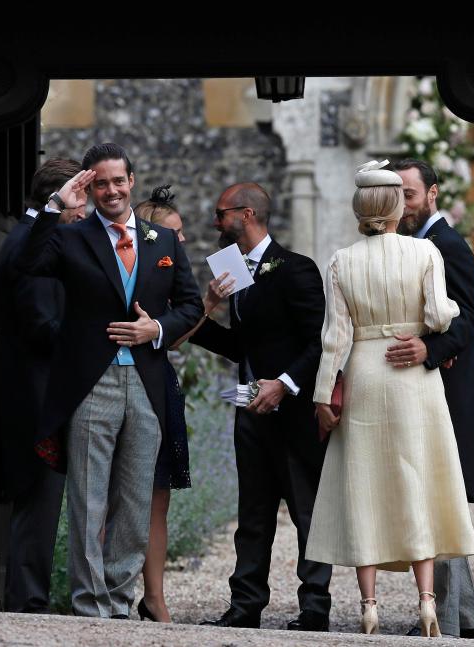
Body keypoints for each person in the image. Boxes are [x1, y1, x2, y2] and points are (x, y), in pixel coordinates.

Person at [17, 143, 203, 618]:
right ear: (89, 187)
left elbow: (190, 305)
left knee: (136, 500)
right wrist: (56, 205)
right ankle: (89, 604)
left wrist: (155, 329)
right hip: (90, 383)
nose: (111, 191)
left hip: (147, 382)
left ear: (131, 182)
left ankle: (118, 601)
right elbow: (28, 264)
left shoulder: (162, 241)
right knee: (87, 500)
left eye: (118, 181)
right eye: (100, 183)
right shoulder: (71, 236)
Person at [308, 160, 474, 637]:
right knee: (416, 481)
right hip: (410, 379)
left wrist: (324, 396)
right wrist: (435, 319)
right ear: (398, 204)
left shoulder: (341, 260)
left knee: (365, 484)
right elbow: (442, 315)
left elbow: (333, 340)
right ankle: (427, 603)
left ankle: (369, 605)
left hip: (364, 372)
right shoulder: (425, 254)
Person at [189, 182, 332, 631]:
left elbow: (319, 341)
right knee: (251, 514)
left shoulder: (296, 268)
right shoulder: (232, 269)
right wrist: (203, 313)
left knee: (307, 514)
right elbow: (241, 346)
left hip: (292, 414)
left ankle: (314, 609)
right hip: (248, 408)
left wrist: (285, 384)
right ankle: (245, 604)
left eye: (220, 214)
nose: (214, 222)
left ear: (246, 215)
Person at [388, 158, 474, 639]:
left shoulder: (448, 245)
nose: (402, 203)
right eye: (396, 194)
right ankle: (465, 618)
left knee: (436, 507)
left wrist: (431, 348)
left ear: (432, 194)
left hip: (447, 394)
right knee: (432, 505)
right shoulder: (404, 246)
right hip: (419, 391)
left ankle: (448, 620)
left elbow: (469, 319)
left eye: (409, 193)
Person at [0, 157, 86, 613]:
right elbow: (41, 324)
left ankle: (29, 596)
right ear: (59, 198)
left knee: (39, 502)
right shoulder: (32, 243)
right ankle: (28, 602)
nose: (83, 212)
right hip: (37, 393)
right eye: (79, 200)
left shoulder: (26, 235)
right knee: (38, 500)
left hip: (32, 388)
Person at [133, 184, 190, 623]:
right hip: (119, 372)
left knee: (157, 496)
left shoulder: (176, 271)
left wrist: (204, 306)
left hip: (158, 377)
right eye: (174, 232)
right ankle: (104, 593)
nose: (182, 241)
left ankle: (155, 597)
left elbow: (177, 329)